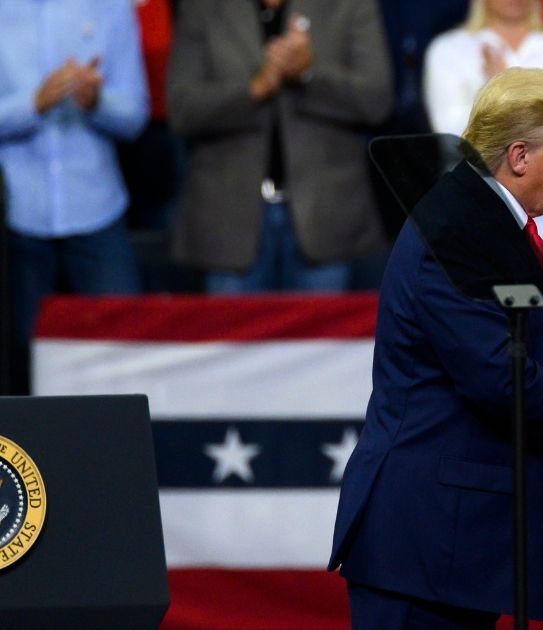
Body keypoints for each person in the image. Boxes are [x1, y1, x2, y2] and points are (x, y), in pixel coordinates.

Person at [329, 67, 543, 627]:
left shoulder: (482, 217)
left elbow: (540, 318)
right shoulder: (454, 231)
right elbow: (498, 371)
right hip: (423, 549)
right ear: (519, 156)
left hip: (452, 548)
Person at [167, 0, 393, 293]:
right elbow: (181, 109)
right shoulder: (201, 7)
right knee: (234, 338)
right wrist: (253, 89)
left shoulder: (351, 4)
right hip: (229, 221)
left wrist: (309, 74)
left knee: (320, 340)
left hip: (325, 217)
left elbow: (377, 101)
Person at [0, 0, 149, 394]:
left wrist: (97, 101)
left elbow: (135, 114)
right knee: (22, 360)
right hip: (17, 214)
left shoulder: (110, 8)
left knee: (125, 351)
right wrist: (32, 103)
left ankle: (122, 453)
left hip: (97, 207)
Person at [423, 0, 543, 272]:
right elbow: (456, 138)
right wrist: (522, 100)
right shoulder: (448, 51)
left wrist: (500, 89)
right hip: (474, 231)